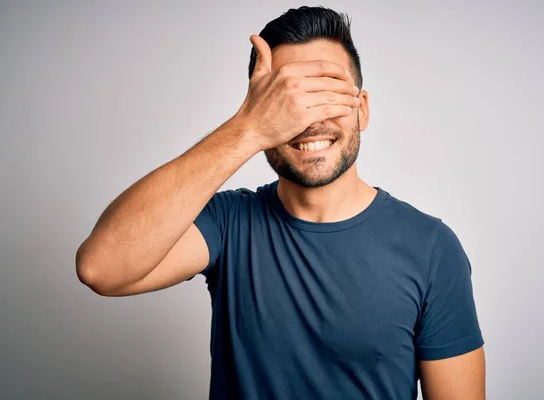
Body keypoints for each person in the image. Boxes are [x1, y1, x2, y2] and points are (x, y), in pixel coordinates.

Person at [75, 6, 485, 399]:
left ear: (361, 110)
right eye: (287, 101)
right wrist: (247, 128)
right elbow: (101, 268)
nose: (307, 120)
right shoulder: (228, 223)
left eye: (325, 95)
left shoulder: (431, 247)